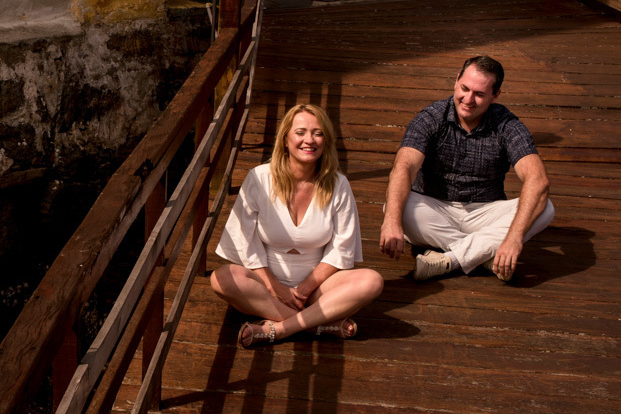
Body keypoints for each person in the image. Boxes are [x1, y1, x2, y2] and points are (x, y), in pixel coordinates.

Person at [210, 103, 383, 348]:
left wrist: (304, 289)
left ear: (326, 141)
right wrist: (274, 286)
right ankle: (318, 325)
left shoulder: (338, 184)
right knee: (221, 278)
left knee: (371, 281)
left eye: (318, 133)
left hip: (318, 286)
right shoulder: (259, 178)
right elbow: (244, 239)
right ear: (285, 140)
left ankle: (280, 329)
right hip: (266, 282)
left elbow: (342, 248)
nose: (309, 140)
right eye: (300, 132)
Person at [379, 55, 555, 282]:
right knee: (394, 207)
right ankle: (485, 255)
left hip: (486, 211)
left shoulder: (507, 125)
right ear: (456, 81)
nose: (468, 99)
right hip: (435, 208)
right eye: (465, 88)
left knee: (545, 207)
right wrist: (392, 222)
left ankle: (450, 260)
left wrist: (513, 239)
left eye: (479, 94)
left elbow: (537, 180)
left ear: (495, 96)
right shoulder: (431, 117)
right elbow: (404, 168)